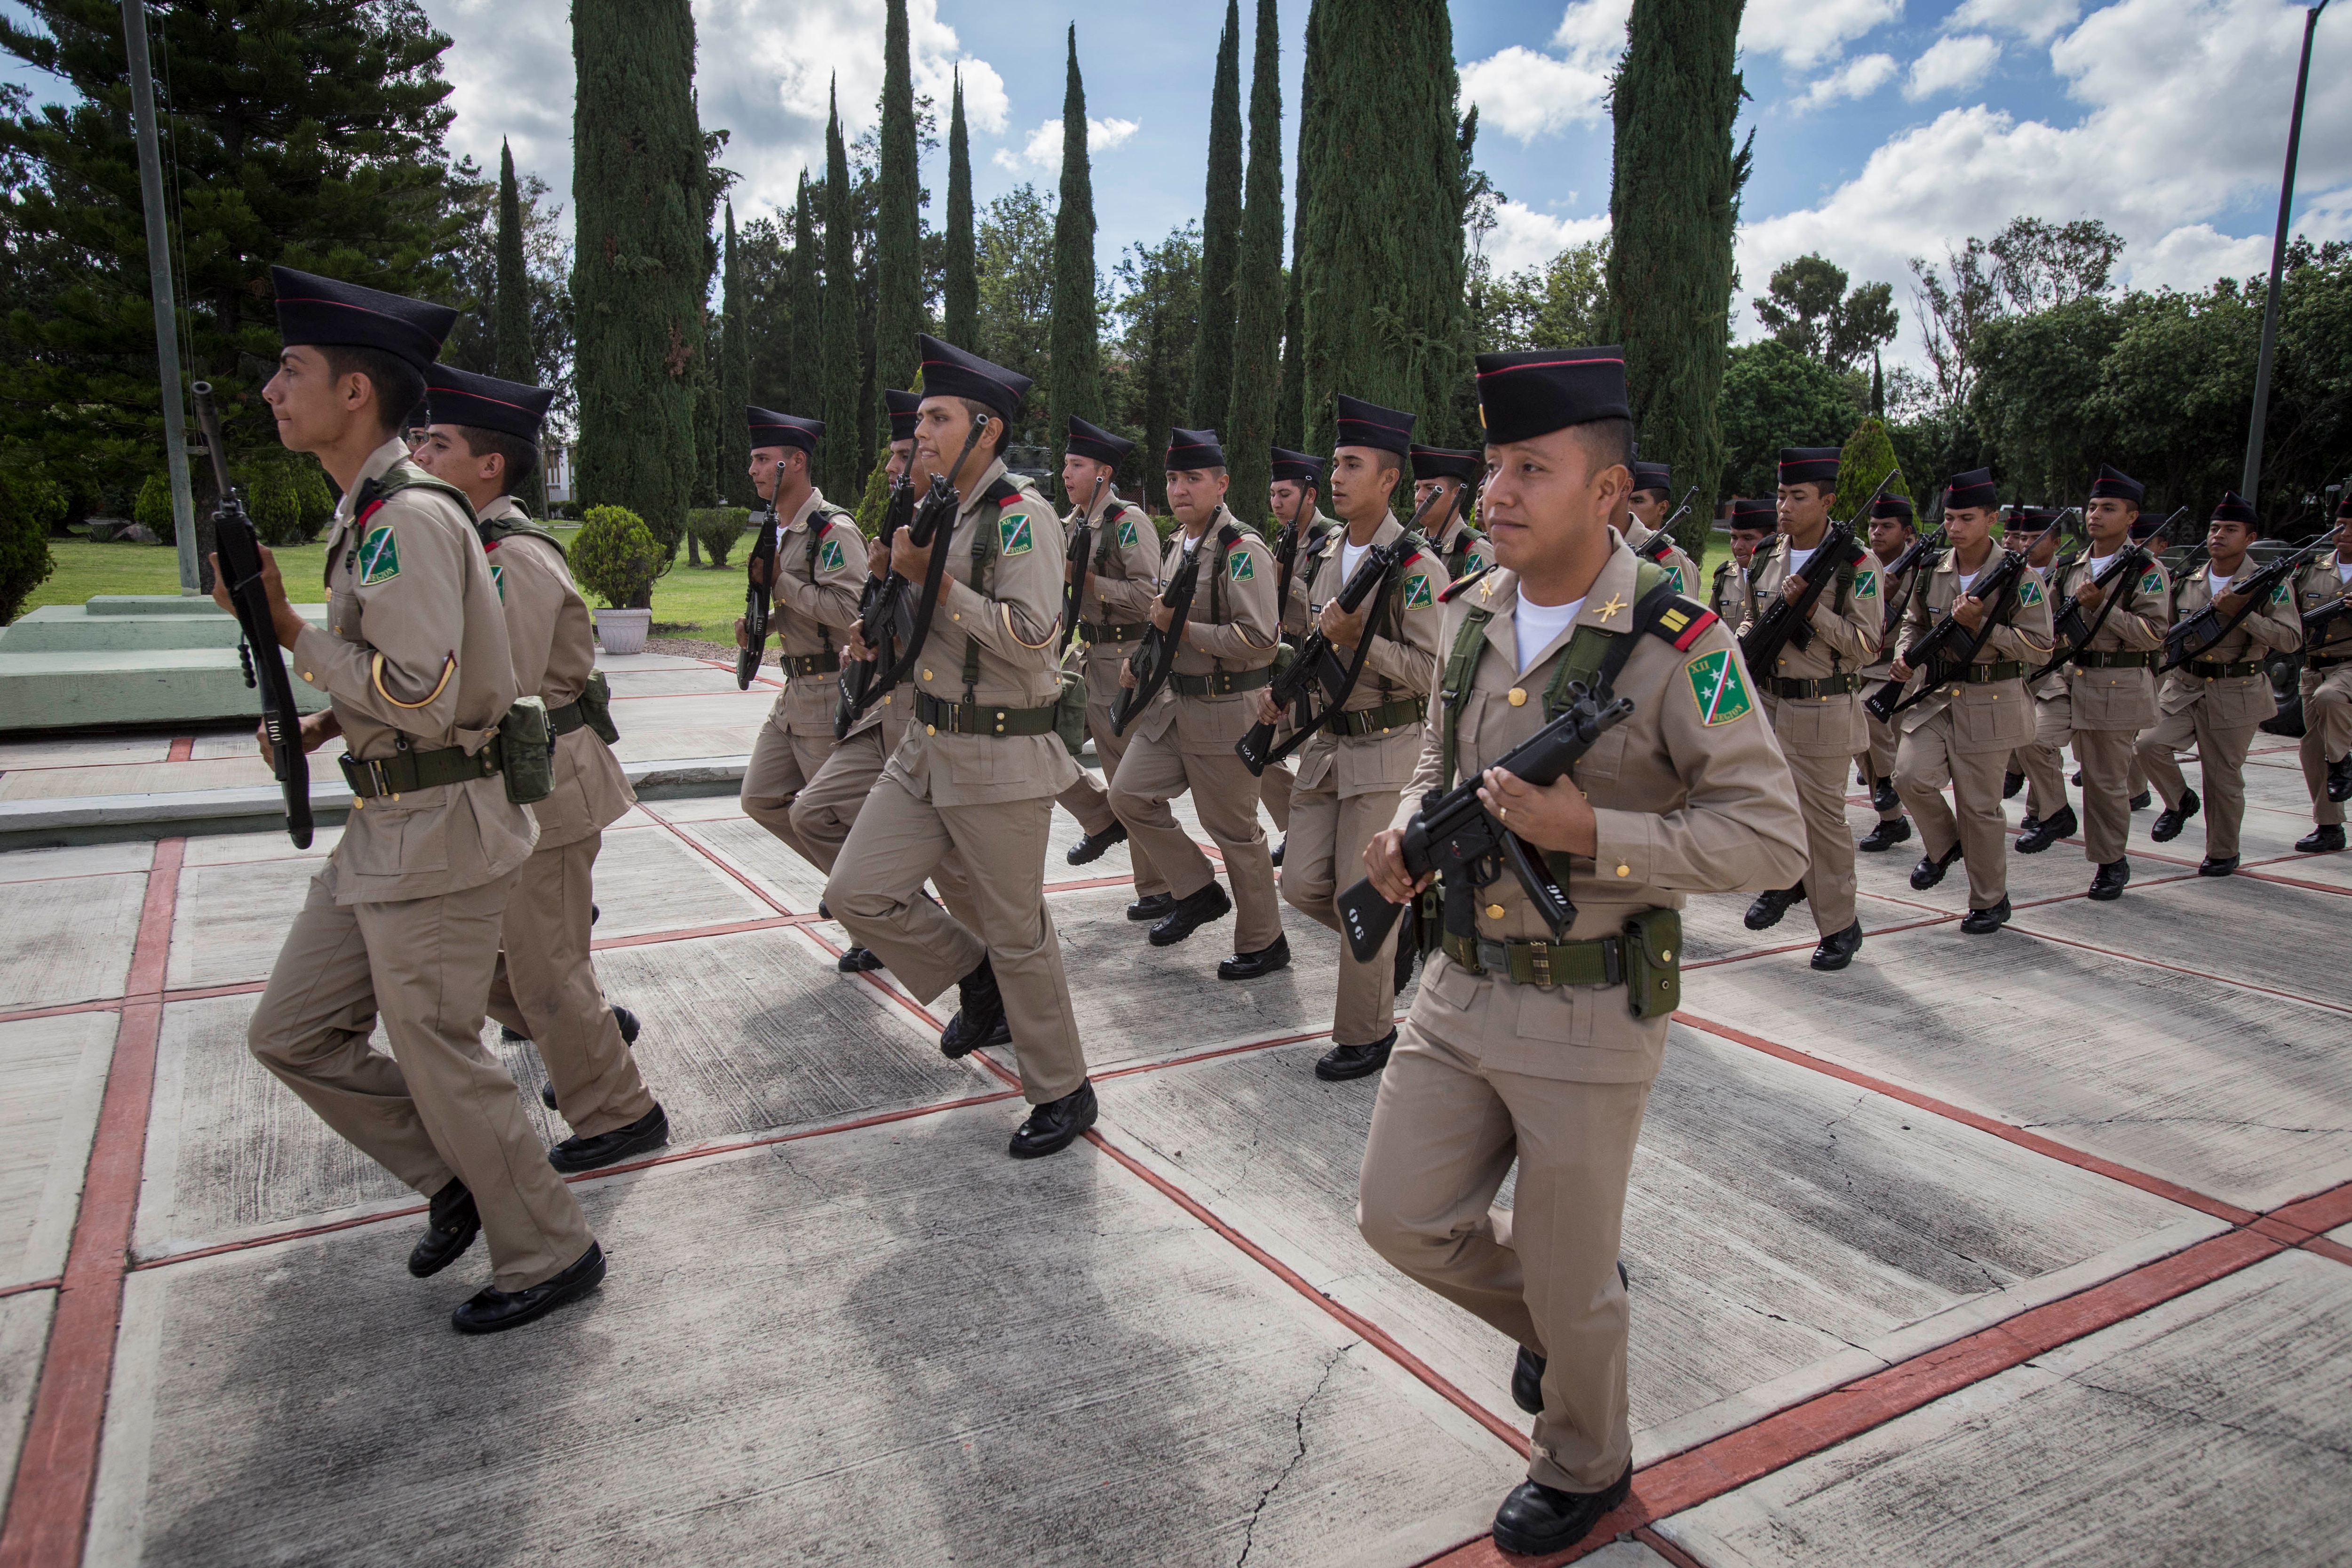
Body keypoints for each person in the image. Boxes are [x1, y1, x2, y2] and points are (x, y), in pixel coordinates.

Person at [1356, 345, 1807, 1560]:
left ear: (1609, 493)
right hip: (1459, 984)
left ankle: (1586, 1461)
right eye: (1495, 464)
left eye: (1532, 468)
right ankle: (1566, 1315)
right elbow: (1442, 762)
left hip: (1591, 1007)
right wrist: (1407, 824)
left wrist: (1590, 831)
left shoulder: (1680, 639)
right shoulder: (1473, 612)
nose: (1496, 490)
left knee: (1573, 1273)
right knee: (1402, 1221)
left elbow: (1770, 836)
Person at [231, 268, 602, 1333]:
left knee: (441, 1053)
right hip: (387, 828)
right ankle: (456, 1178)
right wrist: (323, 719)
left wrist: (296, 637)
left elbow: (426, 694)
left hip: (439, 831)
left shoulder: (407, 521)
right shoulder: (373, 521)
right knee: (291, 1032)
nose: (271, 389)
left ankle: (547, 1246)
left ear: (356, 392)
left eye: (291, 370)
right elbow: (398, 678)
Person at [826, 338, 1096, 1157]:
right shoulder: (934, 512)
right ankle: (976, 980)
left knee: (1020, 931)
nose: (925, 431)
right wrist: (877, 632)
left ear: (987, 429)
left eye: (940, 417)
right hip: (927, 745)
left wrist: (934, 578)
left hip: (1003, 756)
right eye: (922, 417)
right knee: (858, 893)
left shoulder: (1023, 518)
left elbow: (1031, 643)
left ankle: (1064, 1089)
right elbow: (922, 628)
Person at [414, 365, 667, 1171]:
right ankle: (585, 1032)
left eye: (438, 441)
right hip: (509, 785)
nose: (419, 450)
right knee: (499, 960)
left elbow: (498, 685)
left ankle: (618, 1112)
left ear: (490, 465)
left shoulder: (511, 558)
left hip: (545, 784)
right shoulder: (472, 545)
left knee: (544, 963)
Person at [1259, 396, 1445, 1081]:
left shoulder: (1416, 568)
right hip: (1328, 745)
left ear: (1390, 478)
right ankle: (1396, 938)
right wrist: (1286, 697)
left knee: (1357, 895)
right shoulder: (1330, 550)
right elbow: (1317, 650)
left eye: (1352, 465)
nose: (1335, 477)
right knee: (1304, 885)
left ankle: (1368, 1033)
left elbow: (1431, 671)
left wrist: (1358, 647)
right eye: (1335, 463)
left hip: (1385, 748)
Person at [786, 390, 979, 959]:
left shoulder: (956, 525)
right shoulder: (907, 526)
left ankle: (987, 975)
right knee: (811, 812)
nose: (896, 467)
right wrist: (865, 630)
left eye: (905, 453)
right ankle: (912, 932)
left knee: (959, 875)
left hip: (930, 718)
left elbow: (961, 631)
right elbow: (882, 616)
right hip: (885, 711)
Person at [1105, 428, 1288, 976]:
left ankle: (1264, 941)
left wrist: (1181, 629)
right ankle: (1195, 891)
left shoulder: (1241, 550)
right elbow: (1162, 623)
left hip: (1225, 709)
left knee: (1233, 832)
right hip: (1172, 706)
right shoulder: (1176, 543)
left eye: (1192, 478)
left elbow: (1260, 640)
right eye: (1172, 479)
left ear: (1221, 484)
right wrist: (1140, 659)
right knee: (1128, 796)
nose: (1179, 489)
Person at [1884, 478, 2055, 932]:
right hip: (1938, 696)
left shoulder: (2021, 577)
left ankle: (1989, 900)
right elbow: (1914, 623)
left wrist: (1984, 628)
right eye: (1949, 518)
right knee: (1908, 776)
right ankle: (1944, 846)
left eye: (1966, 518)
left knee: (1979, 808)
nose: (1955, 528)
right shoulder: (1935, 569)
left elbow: (2041, 648)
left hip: (1991, 700)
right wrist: (1906, 654)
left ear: (1991, 519)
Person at [1734, 447, 1882, 970]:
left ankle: (1840, 925)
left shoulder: (1855, 566)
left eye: (1797, 497)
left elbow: (1867, 648)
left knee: (1822, 825)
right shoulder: (1769, 554)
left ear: (1827, 501)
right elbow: (1752, 618)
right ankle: (1785, 882)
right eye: (1780, 496)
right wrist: (1739, 643)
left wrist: (1811, 612)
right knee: (1768, 811)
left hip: (1821, 711)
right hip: (1769, 704)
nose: (1784, 506)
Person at [2136, 493, 2303, 876]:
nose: (2219, 535)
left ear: (2250, 537)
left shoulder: (2269, 584)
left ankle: (2223, 851)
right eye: (2215, 528)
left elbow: (2291, 640)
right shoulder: (2188, 579)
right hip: (2185, 684)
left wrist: (2242, 614)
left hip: (2236, 689)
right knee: (2147, 744)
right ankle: (2180, 802)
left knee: (2222, 775)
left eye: (2231, 529)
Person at [735, 407, 868, 875]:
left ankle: (879, 917)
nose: (751, 469)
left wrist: (782, 583)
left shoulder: (831, 531)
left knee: (838, 818)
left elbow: (854, 611)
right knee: (761, 798)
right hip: (794, 694)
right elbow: (805, 607)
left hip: (829, 691)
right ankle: (859, 897)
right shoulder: (785, 530)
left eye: (760, 458)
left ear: (793, 462)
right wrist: (765, 623)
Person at [1053, 417, 1167, 903]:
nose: (1064, 474)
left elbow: (1149, 597)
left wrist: (1085, 579)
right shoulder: (1071, 524)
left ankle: (1158, 888)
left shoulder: (1127, 522)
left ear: (1102, 473)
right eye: (1064, 465)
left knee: (1130, 780)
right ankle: (1102, 821)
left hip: (1126, 658)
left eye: (1075, 465)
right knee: (1045, 743)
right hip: (1088, 654)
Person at [2049, 464, 2171, 899]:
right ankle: (2053, 812)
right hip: (2069, 677)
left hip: (2117, 683)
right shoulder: (2070, 567)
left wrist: (2104, 609)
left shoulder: (2147, 570)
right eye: (2093, 506)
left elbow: (2155, 634)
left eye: (2108, 508)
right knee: (2030, 736)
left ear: (2132, 517)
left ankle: (2110, 861)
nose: (2095, 515)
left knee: (2103, 782)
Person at [1262, 446, 1334, 869]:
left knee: (1316, 766)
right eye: (1273, 494)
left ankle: (1315, 841)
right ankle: (1297, 827)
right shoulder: (1285, 539)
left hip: (1318, 668)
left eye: (1285, 494)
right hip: (1289, 664)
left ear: (1309, 495)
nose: (1276, 503)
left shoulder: (1332, 540)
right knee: (1258, 753)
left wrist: (1281, 582)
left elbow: (1325, 610)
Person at [1855, 494, 1921, 853]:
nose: (1877, 533)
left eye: (1887, 527)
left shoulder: (1922, 570)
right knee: (1859, 740)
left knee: (1866, 712)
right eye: (1874, 526)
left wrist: (1889, 599)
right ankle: (1892, 820)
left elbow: (1914, 625)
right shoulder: (1864, 567)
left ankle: (1890, 787)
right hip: (1864, 664)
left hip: (1903, 665)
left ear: (1906, 532)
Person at [2011, 514, 2078, 852]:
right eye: (2024, 538)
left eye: (2036, 538)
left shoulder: (2064, 573)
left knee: (2037, 740)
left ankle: (2047, 811)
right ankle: (2040, 810)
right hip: (2039, 675)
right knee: (2030, 739)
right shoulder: (2017, 575)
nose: (2027, 545)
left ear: (2056, 542)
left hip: (2068, 675)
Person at [2290, 493, 2352, 854]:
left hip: (2349, 666)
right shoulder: (2312, 569)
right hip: (2314, 668)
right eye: (2341, 526)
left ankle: (2344, 763)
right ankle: (2329, 827)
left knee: (2330, 699)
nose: (2344, 534)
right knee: (2312, 750)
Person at [1411, 445, 1493, 580]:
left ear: (1456, 495)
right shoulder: (1411, 545)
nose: (1419, 497)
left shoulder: (1476, 552)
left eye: (1430, 489)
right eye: (1417, 489)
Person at [1623, 459, 1700, 599]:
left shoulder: (1669, 558)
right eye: (1626, 499)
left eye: (1638, 501)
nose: (1628, 507)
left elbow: (1679, 614)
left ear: (1663, 507)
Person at [1709, 500, 1774, 627]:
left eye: (1748, 538)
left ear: (1769, 539)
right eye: (1734, 538)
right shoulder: (1724, 578)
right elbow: (1712, 628)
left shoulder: (1781, 574)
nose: (1738, 546)